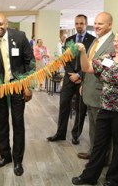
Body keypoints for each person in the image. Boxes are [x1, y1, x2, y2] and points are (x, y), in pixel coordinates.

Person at [0, 13, 34, 176]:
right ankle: (5, 156)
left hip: (18, 84)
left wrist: (28, 86)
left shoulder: (20, 36)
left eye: (0, 24)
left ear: (7, 23)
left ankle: (18, 160)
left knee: (18, 122)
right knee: (1, 122)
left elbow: (29, 62)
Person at [72, 27, 118, 186]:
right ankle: (89, 175)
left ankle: (114, 179)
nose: (116, 44)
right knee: (99, 144)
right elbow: (87, 68)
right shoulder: (109, 58)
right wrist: (83, 53)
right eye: (115, 41)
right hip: (105, 107)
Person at [47, 14, 95, 145]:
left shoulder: (92, 40)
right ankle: (60, 133)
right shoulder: (69, 39)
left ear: (86, 24)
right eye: (77, 23)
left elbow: (91, 60)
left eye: (81, 23)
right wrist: (71, 74)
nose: (79, 26)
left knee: (80, 108)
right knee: (64, 105)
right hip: (69, 78)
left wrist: (79, 75)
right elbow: (65, 59)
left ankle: (75, 135)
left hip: (83, 79)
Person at [77, 12, 115, 160]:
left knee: (102, 130)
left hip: (101, 93)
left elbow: (108, 70)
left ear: (109, 25)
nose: (97, 26)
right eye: (96, 23)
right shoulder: (96, 41)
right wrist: (84, 83)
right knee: (93, 126)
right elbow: (88, 63)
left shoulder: (113, 43)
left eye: (101, 24)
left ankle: (102, 158)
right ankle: (94, 152)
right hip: (90, 90)